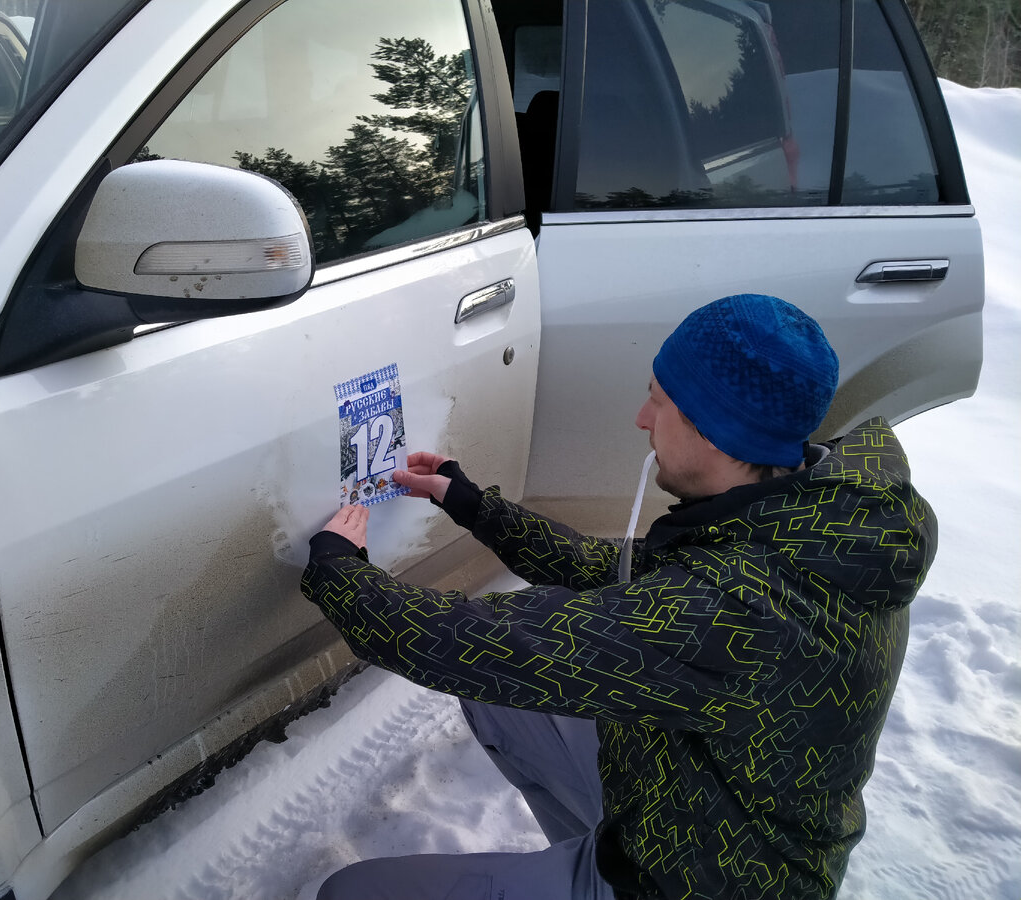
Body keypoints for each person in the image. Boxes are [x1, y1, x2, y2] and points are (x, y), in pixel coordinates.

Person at [300, 294, 937, 900]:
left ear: (711, 430)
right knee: (511, 704)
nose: (640, 419)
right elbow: (613, 574)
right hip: (705, 818)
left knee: (350, 893)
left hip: (690, 885)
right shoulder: (813, 521)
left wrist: (341, 574)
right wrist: (473, 505)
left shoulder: (743, 606)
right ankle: (598, 847)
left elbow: (486, 646)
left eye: (657, 401)